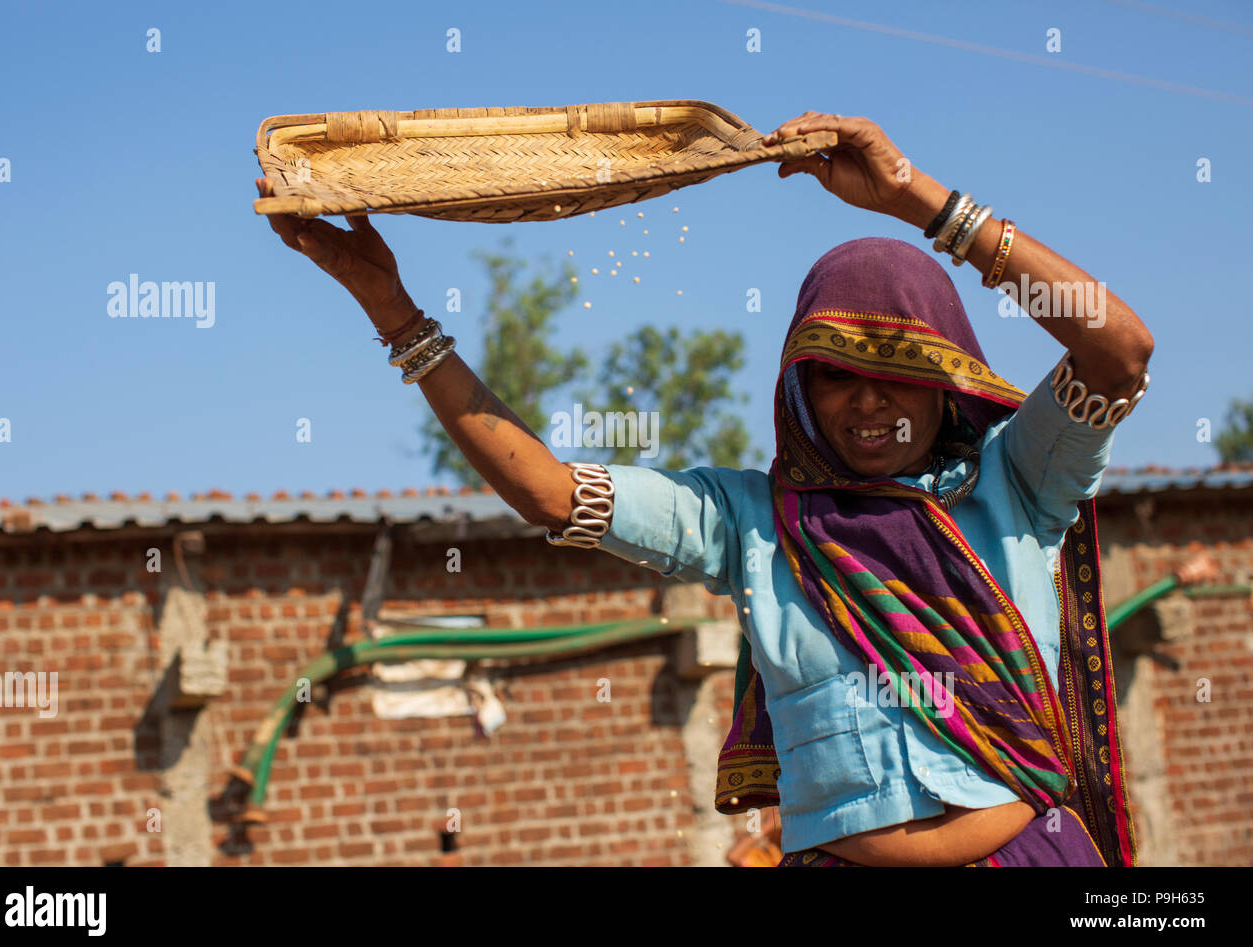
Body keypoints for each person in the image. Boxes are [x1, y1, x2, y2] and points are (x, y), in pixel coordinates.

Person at [256, 112, 1151, 867]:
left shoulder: (1016, 479)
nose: (868, 399)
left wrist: (918, 199)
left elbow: (1119, 350)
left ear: (948, 377)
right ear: (800, 389)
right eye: (837, 373)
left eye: (899, 370)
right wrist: (393, 312)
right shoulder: (751, 521)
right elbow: (550, 493)